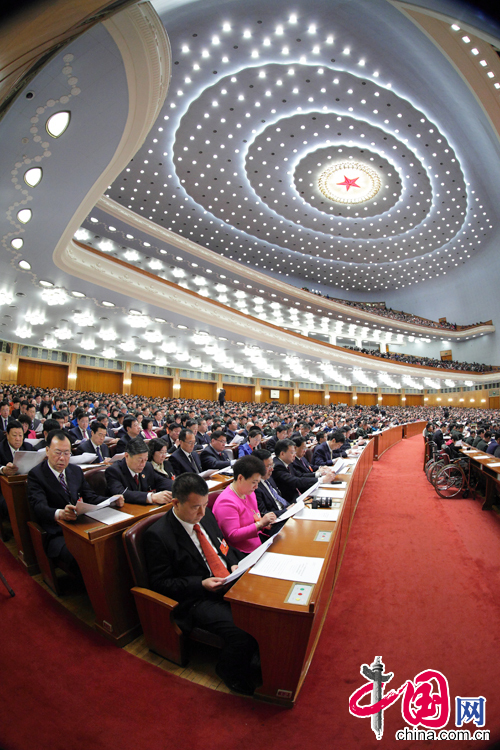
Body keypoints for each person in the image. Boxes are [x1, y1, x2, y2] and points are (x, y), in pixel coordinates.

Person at [144, 472, 258, 695]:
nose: (202, 512)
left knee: (264, 610)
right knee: (244, 629)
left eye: (205, 505)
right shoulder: (158, 535)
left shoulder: (205, 517)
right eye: (196, 507)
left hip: (226, 580)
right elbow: (160, 583)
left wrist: (233, 564)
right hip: (196, 597)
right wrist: (201, 583)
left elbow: (224, 546)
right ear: (176, 503)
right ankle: (229, 670)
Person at [27, 429, 124, 574]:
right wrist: (61, 514)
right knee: (85, 554)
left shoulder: (75, 470)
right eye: (57, 452)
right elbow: (39, 507)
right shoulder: (36, 475)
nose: (62, 458)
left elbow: (90, 497)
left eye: (67, 453)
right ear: (47, 451)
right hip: (57, 533)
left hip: (82, 525)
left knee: (111, 544)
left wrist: (111, 501)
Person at [212, 455, 276, 554]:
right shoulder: (226, 502)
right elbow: (233, 535)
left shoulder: (249, 493)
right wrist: (260, 524)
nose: (256, 486)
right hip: (243, 552)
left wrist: (264, 524)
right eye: (254, 482)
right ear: (240, 478)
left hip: (258, 541)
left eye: (258, 482)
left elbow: (256, 516)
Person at [105, 437, 172, 502]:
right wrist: (151, 497)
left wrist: (179, 487)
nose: (143, 464)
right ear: (127, 456)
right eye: (140, 460)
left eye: (145, 460)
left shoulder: (147, 466)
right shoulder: (114, 471)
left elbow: (161, 481)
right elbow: (121, 493)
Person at [252, 448, 291, 518]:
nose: (272, 469)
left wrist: (292, 507)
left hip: (286, 512)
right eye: (269, 466)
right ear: (258, 467)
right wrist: (286, 511)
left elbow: (280, 498)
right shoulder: (255, 487)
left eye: (272, 465)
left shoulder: (269, 478)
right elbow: (264, 514)